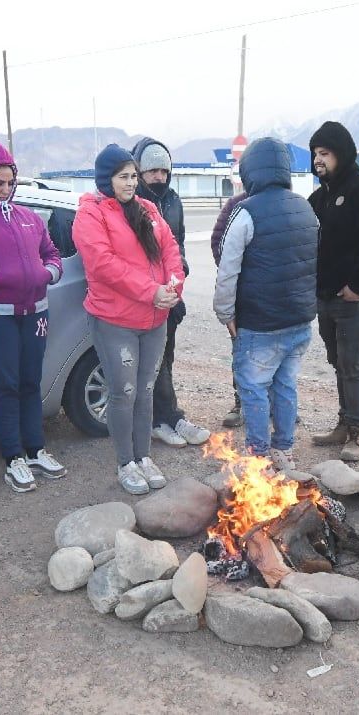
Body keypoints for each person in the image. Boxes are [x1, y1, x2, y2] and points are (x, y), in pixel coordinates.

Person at [73, 144, 184, 495]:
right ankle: (126, 462)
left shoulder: (148, 209)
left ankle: (144, 456)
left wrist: (173, 286)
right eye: (123, 177)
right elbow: (103, 266)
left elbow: (170, 249)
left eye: (134, 176)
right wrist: (150, 290)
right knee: (124, 391)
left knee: (146, 390)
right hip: (115, 320)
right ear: (106, 179)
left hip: (155, 317)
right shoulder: (91, 215)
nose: (131, 183)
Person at [0, 139, 67, 494]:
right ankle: (12, 457)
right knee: (4, 385)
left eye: (9, 183)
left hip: (35, 312)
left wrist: (47, 273)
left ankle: (36, 449)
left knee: (30, 382)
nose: (5, 190)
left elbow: (51, 254)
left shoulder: (29, 218)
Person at [213, 138, 318, 472]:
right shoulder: (305, 207)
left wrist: (225, 313)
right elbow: (314, 261)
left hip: (260, 324)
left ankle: (258, 456)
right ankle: (284, 450)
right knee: (285, 385)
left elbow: (227, 270)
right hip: (299, 321)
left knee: (254, 388)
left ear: (250, 171)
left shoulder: (246, 211)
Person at [307, 121, 359, 462]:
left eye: (324, 154)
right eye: (315, 155)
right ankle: (344, 423)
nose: (317, 161)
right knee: (337, 360)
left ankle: (357, 432)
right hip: (325, 295)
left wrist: (356, 286)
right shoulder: (320, 196)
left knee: (352, 364)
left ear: (341, 154)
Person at [131, 137, 211, 448]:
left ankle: (168, 416)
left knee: (167, 358)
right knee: (154, 362)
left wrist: (178, 288)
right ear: (139, 172)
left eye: (164, 171)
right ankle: (163, 419)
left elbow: (177, 248)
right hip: (146, 296)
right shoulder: (132, 204)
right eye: (152, 172)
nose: (159, 178)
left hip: (170, 294)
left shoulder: (173, 200)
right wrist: (157, 290)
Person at [210, 192, 248, 428]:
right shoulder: (236, 205)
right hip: (243, 297)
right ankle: (241, 403)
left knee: (280, 358)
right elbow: (218, 242)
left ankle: (276, 406)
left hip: (279, 300)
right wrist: (237, 276)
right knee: (241, 353)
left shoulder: (289, 202)